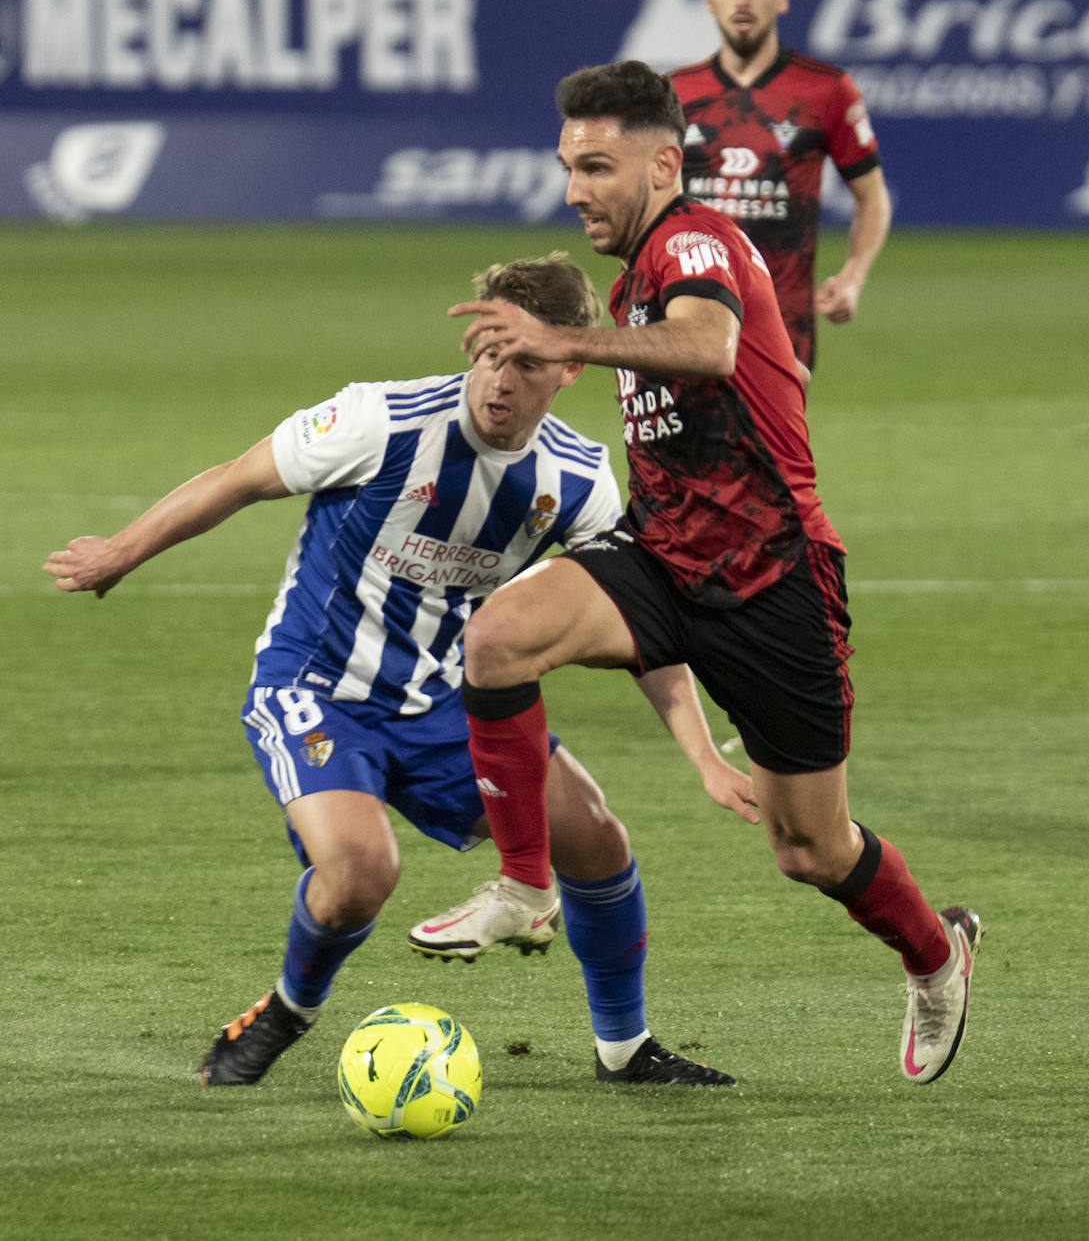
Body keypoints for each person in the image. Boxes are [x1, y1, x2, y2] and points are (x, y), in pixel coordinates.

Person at [44, 252, 746, 1089]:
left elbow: (639, 627)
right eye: (489, 354)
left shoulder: (578, 476)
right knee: (361, 875)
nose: (500, 381)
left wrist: (703, 755)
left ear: (570, 367)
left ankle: (625, 1049)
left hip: (448, 703)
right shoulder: (378, 421)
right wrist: (121, 552)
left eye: (524, 363)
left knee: (594, 837)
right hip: (314, 688)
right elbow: (238, 479)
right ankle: (286, 1012)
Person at [412, 63, 982, 1086]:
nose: (574, 187)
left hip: (771, 581)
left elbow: (711, 347)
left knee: (808, 848)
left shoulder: (692, 239)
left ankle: (936, 955)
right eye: (566, 166)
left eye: (595, 165)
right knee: (496, 638)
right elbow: (746, 363)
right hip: (662, 555)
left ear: (663, 162)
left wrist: (556, 335)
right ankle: (526, 882)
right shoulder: (642, 269)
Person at [667, 0, 892, 372]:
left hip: (782, 326)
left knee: (771, 445)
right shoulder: (675, 94)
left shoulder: (826, 91)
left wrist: (852, 277)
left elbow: (872, 196)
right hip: (688, 314)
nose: (743, 0)